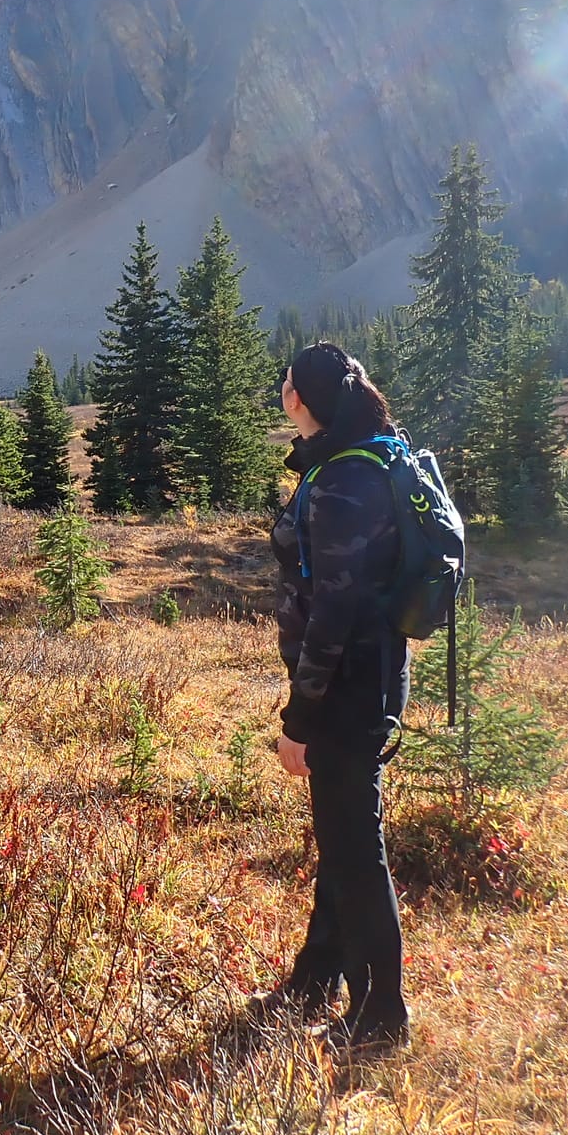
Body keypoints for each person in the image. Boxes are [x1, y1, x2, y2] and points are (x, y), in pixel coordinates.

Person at [257, 341, 411, 1054]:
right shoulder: (356, 456)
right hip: (368, 674)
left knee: (355, 847)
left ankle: (381, 1015)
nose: (281, 390)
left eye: (286, 382)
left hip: (349, 686)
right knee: (341, 834)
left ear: (302, 399)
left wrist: (300, 718)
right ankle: (317, 977)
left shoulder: (347, 479)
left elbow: (334, 615)